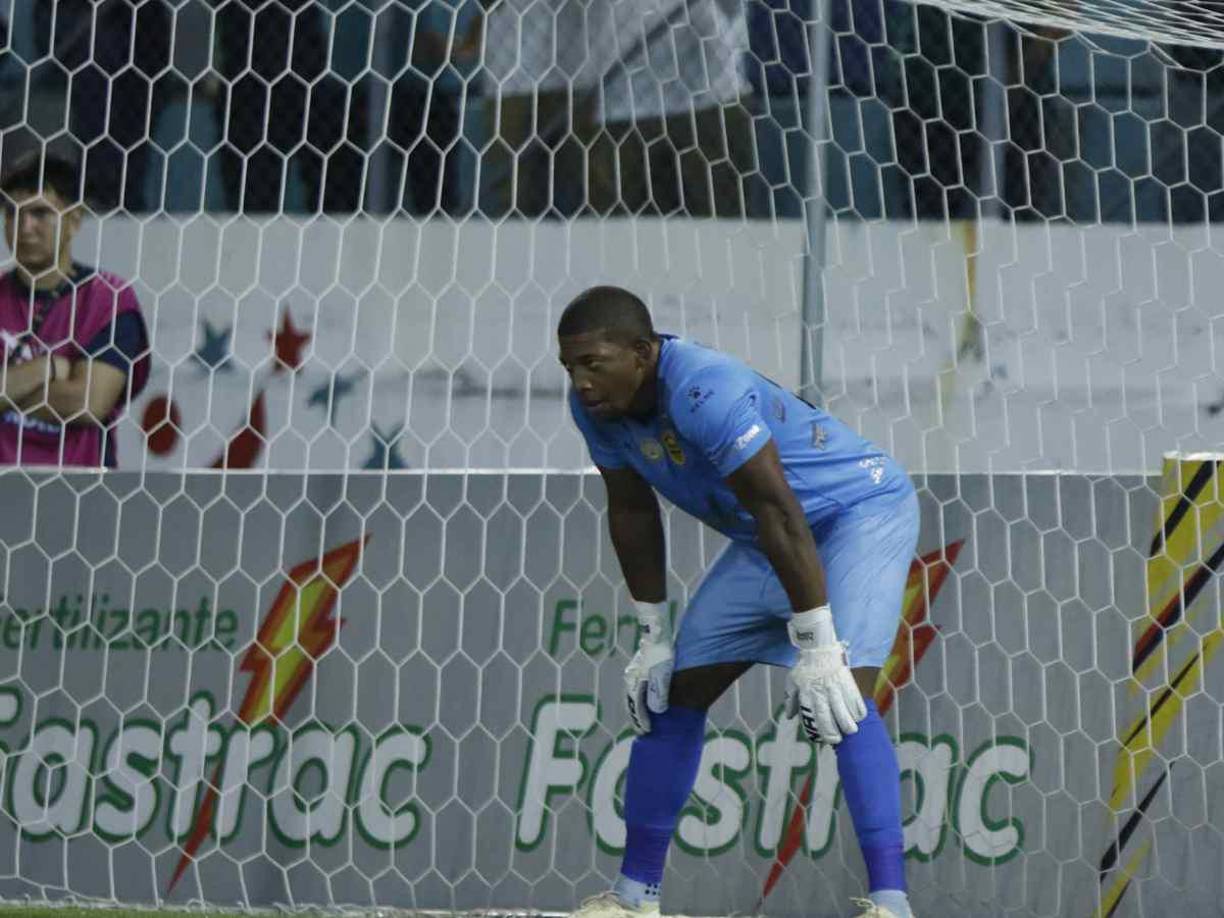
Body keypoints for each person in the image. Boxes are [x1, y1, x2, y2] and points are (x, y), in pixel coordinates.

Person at [558, 286, 920, 918]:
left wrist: (818, 646)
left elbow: (778, 509)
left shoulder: (705, 389)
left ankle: (891, 905)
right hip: (769, 539)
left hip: (856, 515)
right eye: (569, 367)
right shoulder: (596, 409)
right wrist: (653, 636)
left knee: (841, 700)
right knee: (670, 695)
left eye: (593, 363)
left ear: (642, 352)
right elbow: (632, 510)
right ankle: (634, 899)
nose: (580, 382)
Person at [0, 152, 150, 467]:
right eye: (13, 213)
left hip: (79, 487)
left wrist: (8, 391)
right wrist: (46, 369)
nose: (24, 228)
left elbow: (89, 403)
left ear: (74, 221)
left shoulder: (108, 298)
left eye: (40, 213)